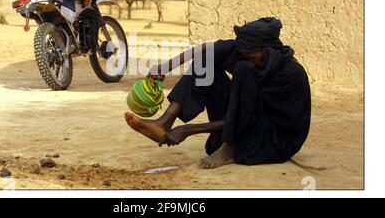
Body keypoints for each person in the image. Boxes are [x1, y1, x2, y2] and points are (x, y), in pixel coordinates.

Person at [124, 17, 311, 169]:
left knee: (243, 70)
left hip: (274, 139)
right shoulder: (247, 50)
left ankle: (229, 147)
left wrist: (190, 129)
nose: (245, 57)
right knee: (207, 61)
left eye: (251, 55)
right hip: (244, 124)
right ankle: (164, 122)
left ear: (266, 51)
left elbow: (252, 115)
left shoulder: (289, 75)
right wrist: (165, 67)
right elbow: (205, 49)